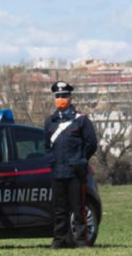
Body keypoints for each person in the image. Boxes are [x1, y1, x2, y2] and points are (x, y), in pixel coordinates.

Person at [43, 81, 98, 249]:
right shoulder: (50, 122)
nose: (61, 99)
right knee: (59, 210)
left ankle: (81, 241)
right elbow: (47, 145)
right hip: (58, 171)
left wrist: (81, 160)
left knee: (78, 208)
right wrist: (52, 161)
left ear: (70, 97)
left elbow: (91, 143)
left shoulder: (81, 120)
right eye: (58, 96)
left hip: (75, 172)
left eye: (64, 96)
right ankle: (60, 240)